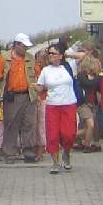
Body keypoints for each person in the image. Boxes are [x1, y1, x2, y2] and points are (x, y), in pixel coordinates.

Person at [0, 33, 40, 164]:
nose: (26, 49)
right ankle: (9, 153)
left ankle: (29, 152)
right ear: (17, 45)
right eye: (24, 46)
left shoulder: (31, 58)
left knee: (29, 124)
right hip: (11, 96)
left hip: (29, 95)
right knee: (11, 124)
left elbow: (37, 75)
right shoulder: (3, 58)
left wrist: (37, 94)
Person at [35, 45, 79, 173]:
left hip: (68, 104)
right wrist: (34, 87)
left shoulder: (68, 66)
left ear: (60, 55)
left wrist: (67, 55)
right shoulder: (46, 71)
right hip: (53, 105)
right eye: (49, 53)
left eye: (54, 53)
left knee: (69, 134)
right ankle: (55, 162)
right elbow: (40, 87)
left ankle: (66, 153)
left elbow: (83, 56)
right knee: (53, 135)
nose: (51, 56)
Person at [74, 50, 103, 152]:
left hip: (92, 104)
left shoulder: (95, 77)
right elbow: (89, 84)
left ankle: (90, 143)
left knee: (91, 126)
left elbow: (99, 88)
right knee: (90, 124)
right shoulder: (81, 76)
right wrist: (100, 77)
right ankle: (86, 145)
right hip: (83, 104)